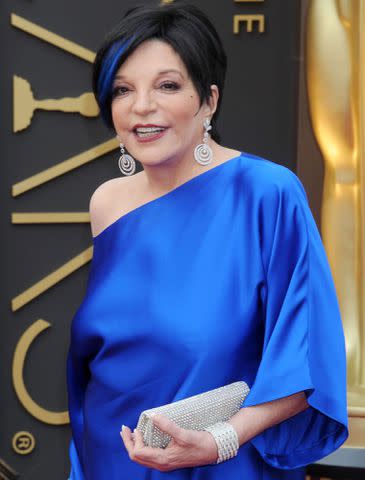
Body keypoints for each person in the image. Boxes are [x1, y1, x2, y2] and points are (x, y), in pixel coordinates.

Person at [66, 2, 348, 479]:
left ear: (209, 100)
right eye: (123, 90)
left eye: (167, 85)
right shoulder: (107, 203)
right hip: (109, 460)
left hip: (221, 465)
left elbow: (306, 356)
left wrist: (221, 440)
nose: (141, 107)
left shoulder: (268, 194)